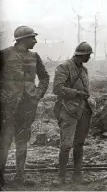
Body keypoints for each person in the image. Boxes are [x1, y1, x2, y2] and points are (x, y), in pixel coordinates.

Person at [0, 26, 50, 188]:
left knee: (22, 141)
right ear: (22, 40)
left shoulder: (35, 56)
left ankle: (19, 177)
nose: (35, 41)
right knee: (4, 142)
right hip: (7, 107)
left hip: (28, 106)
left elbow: (44, 77)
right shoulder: (4, 54)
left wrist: (38, 94)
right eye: (32, 38)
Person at [52, 42, 96, 186]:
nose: (89, 57)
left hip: (83, 110)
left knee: (79, 144)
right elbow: (57, 88)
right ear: (82, 55)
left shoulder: (84, 70)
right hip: (68, 110)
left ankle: (77, 175)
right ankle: (61, 177)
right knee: (66, 145)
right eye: (88, 55)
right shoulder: (64, 67)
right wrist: (77, 93)